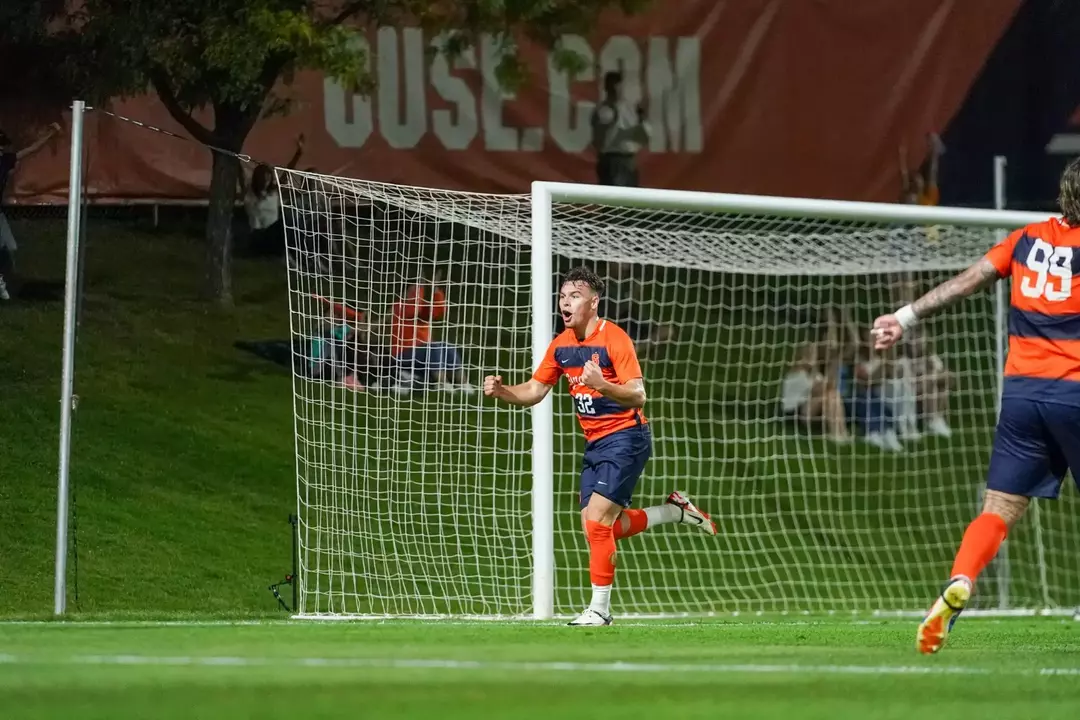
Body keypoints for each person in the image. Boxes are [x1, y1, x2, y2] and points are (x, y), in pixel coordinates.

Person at [872, 156, 1080, 654]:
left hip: (1023, 395)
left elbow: (966, 281)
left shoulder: (1027, 239)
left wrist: (904, 316)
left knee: (1000, 508)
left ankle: (961, 578)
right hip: (1074, 391)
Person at [483, 266, 716, 626]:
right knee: (606, 526)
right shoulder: (561, 345)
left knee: (597, 524)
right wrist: (503, 392)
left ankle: (600, 610)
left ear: (594, 302)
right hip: (595, 443)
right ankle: (674, 511)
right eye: (562, 296)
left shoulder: (615, 339)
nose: (565, 302)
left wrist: (602, 385)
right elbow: (535, 390)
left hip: (627, 438)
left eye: (574, 296)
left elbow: (638, 396)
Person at [0, 122, 62, 301]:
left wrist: (50, 135)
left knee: (7, 248)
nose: (2, 149)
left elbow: (31, 150)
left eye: (3, 146)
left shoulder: (6, 160)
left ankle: (3, 281)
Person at [389, 268, 473, 393]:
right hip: (403, 354)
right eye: (414, 290)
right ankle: (442, 383)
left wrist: (434, 289)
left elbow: (437, 311)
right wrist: (422, 287)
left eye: (418, 290)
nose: (417, 293)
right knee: (433, 347)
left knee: (446, 346)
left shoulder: (422, 308)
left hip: (422, 354)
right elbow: (412, 311)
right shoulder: (399, 306)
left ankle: (463, 384)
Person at [780, 328, 850, 444]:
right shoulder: (798, 370)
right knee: (827, 394)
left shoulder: (815, 373)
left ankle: (841, 432)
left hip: (810, 408)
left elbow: (829, 386)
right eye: (809, 353)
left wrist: (834, 362)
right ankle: (835, 433)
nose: (812, 356)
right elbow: (819, 389)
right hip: (794, 413)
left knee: (833, 394)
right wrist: (833, 364)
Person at [240, 134, 304, 258]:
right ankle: (288, 258)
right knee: (286, 219)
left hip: (275, 235)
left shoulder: (273, 193)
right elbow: (241, 175)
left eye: (268, 177)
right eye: (262, 177)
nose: (265, 180)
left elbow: (286, 174)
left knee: (295, 220)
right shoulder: (250, 194)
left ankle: (299, 256)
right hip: (259, 236)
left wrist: (298, 154)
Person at [603, 262, 675, 358]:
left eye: (625, 265)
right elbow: (611, 313)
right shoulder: (603, 285)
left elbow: (637, 309)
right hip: (615, 324)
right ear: (611, 265)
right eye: (620, 265)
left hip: (633, 323)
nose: (624, 268)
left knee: (667, 331)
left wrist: (636, 295)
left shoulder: (630, 282)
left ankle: (636, 349)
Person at [591, 71, 650, 187]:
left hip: (629, 160)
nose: (617, 88)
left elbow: (642, 136)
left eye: (619, 85)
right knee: (614, 198)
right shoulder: (604, 109)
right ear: (607, 87)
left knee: (630, 199)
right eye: (613, 85)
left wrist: (642, 118)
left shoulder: (629, 108)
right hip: (613, 160)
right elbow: (602, 136)